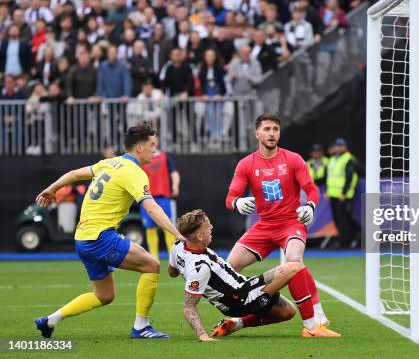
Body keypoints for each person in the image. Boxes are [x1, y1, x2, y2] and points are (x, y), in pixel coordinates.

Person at [34, 124, 185, 339]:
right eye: (152, 145)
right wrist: (177, 234)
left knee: (104, 296)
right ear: (139, 148)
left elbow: (74, 174)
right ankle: (141, 327)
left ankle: (50, 320)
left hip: (83, 239)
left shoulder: (109, 163)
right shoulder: (134, 172)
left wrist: (52, 188)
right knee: (151, 265)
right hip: (100, 238)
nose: (155, 149)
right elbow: (151, 207)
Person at [225, 114, 340, 337]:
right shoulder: (246, 164)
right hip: (264, 226)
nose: (271, 133)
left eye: (275, 129)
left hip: (290, 223)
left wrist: (310, 207)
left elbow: (312, 190)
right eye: (267, 129)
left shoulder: (293, 159)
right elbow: (230, 197)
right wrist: (237, 202)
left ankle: (314, 318)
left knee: (294, 261)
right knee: (229, 269)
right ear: (257, 133)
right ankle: (251, 307)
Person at [169, 209, 308, 340]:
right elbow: (188, 306)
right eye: (207, 226)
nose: (211, 227)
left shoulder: (178, 246)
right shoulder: (200, 267)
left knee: (288, 311)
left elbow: (172, 272)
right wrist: (203, 335)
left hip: (241, 286)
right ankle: (313, 326)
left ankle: (236, 324)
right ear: (199, 236)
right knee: (294, 267)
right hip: (241, 298)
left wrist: (183, 267)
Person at [140, 150, 181, 261]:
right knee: (149, 228)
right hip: (147, 198)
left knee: (168, 227)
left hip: (163, 198)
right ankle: (154, 258)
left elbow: (174, 173)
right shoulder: (142, 159)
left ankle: (173, 258)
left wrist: (175, 186)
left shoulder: (164, 157)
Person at [326, 138, 360, 248]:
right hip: (333, 194)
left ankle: (346, 241)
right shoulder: (333, 159)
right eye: (337, 145)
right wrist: (328, 190)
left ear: (345, 147)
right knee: (337, 218)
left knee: (343, 219)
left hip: (343, 195)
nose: (338, 148)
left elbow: (349, 178)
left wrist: (344, 193)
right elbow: (330, 176)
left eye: (341, 145)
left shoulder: (349, 159)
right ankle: (348, 238)